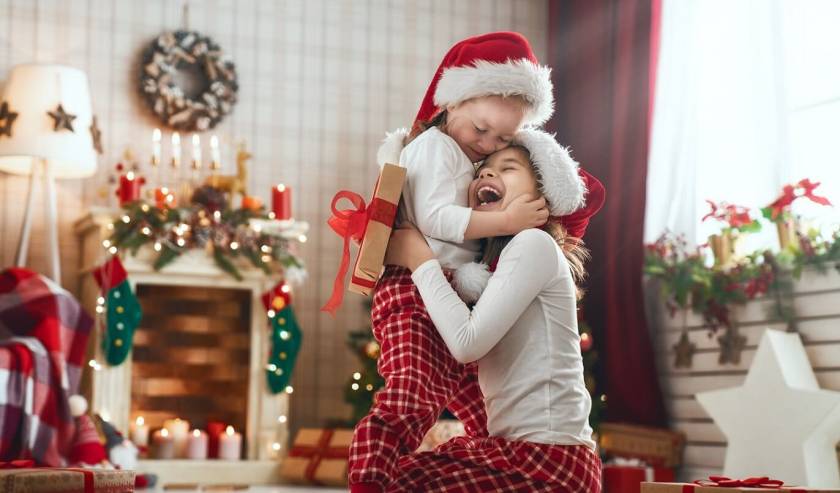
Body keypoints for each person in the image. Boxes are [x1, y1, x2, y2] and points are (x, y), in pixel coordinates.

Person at [348, 32, 562, 493]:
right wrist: (506, 217)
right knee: (411, 395)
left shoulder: (469, 157)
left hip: (450, 294)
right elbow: (436, 218)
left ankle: (493, 463)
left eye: (504, 138)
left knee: (483, 402)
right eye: (481, 129)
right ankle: (370, 478)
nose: (487, 144)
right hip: (412, 291)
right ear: (452, 104)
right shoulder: (434, 147)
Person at [382, 128, 605, 492]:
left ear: (541, 197)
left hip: (549, 459)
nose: (486, 174)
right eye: (483, 169)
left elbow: (467, 343)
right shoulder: (495, 268)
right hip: (521, 452)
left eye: (508, 167)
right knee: (400, 475)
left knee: (395, 481)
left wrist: (419, 260)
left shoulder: (534, 244)